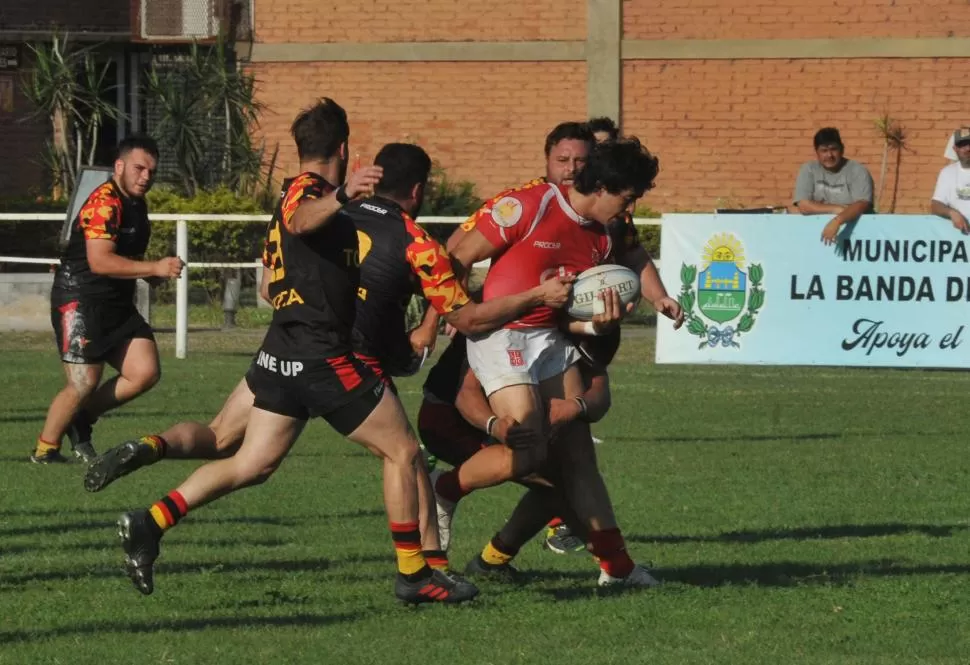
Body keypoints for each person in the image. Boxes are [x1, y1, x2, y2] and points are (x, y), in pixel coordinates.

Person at [112, 98, 478, 605]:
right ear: (344, 150)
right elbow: (305, 220)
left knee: (252, 463)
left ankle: (149, 521)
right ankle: (415, 575)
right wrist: (343, 196)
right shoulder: (310, 194)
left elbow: (268, 285)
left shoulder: (300, 200)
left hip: (284, 348)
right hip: (320, 354)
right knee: (403, 451)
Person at [449, 138, 682, 588]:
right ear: (602, 187)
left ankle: (617, 569)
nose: (629, 208)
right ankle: (443, 489)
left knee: (578, 453)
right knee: (528, 448)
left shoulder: (602, 233)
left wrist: (602, 323)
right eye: (627, 197)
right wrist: (458, 314)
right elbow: (457, 256)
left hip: (549, 338)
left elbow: (571, 309)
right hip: (501, 334)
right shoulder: (528, 206)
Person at [33, 135, 184, 465]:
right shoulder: (105, 201)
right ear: (119, 166)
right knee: (83, 383)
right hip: (80, 300)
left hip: (115, 301)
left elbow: (124, 255)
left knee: (144, 372)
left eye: (151, 172)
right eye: (139, 168)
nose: (145, 177)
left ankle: (81, 420)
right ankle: (45, 450)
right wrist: (153, 266)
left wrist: (149, 273)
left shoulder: (135, 203)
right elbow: (100, 261)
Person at [791, 127, 874, 245]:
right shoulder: (809, 169)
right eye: (824, 150)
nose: (829, 155)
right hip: (820, 236)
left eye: (833, 149)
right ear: (817, 152)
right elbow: (804, 206)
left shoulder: (857, 170)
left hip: (859, 236)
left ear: (842, 149)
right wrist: (837, 209)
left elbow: (862, 204)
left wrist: (837, 221)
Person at [930, 127, 970, 234]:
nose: (967, 148)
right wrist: (952, 213)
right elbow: (936, 205)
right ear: (955, 149)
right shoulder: (948, 173)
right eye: (963, 145)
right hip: (957, 237)